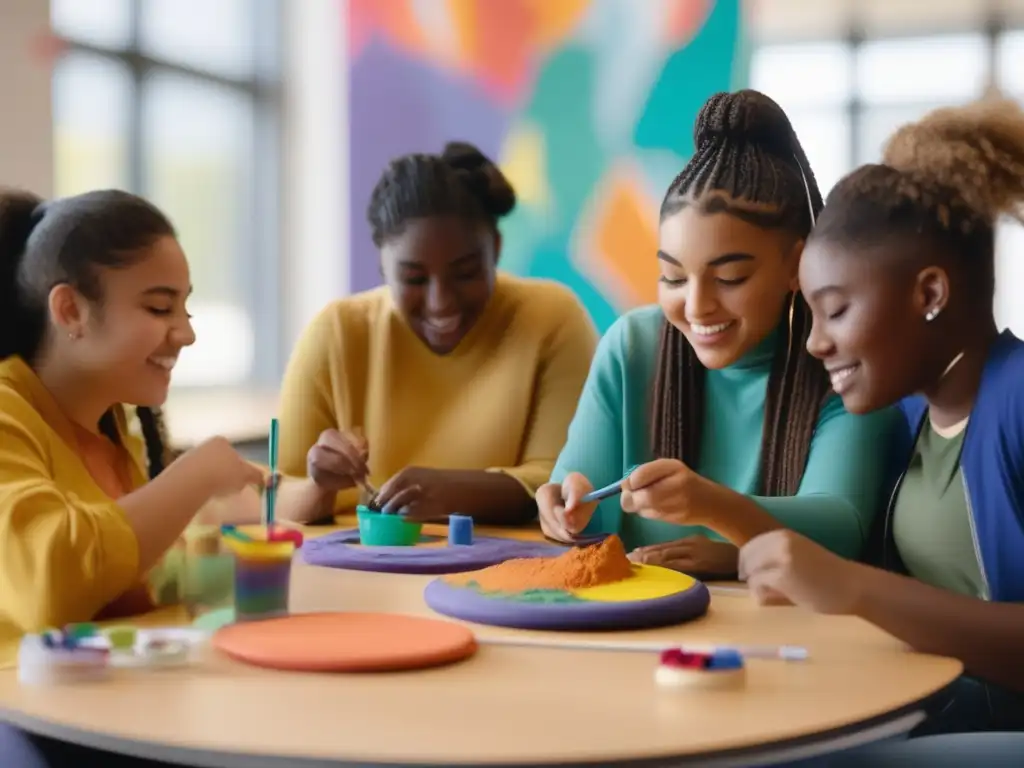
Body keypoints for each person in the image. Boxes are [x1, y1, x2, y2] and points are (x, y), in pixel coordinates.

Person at [741, 96, 1024, 735]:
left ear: (929, 293)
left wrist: (855, 589)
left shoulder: (1017, 400)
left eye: (835, 310)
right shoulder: (912, 416)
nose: (815, 342)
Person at [537, 90, 898, 577]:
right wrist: (567, 508)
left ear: (797, 264)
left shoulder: (840, 364)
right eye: (673, 278)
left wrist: (719, 517)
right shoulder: (633, 346)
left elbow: (842, 526)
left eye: (730, 279)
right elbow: (587, 509)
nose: (697, 306)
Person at [0, 189, 268, 669]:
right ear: (69, 311)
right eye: (159, 308)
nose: (186, 334)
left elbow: (125, 580)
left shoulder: (112, 429)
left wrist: (228, 553)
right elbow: (51, 587)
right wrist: (194, 477)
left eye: (185, 308)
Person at [276, 142, 598, 525]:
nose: (440, 302)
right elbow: (275, 499)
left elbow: (566, 485)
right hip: (356, 575)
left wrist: (454, 492)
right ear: (382, 266)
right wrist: (320, 485)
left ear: (495, 248)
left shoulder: (552, 319)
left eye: (465, 273)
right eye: (414, 278)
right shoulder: (337, 333)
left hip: (506, 576)